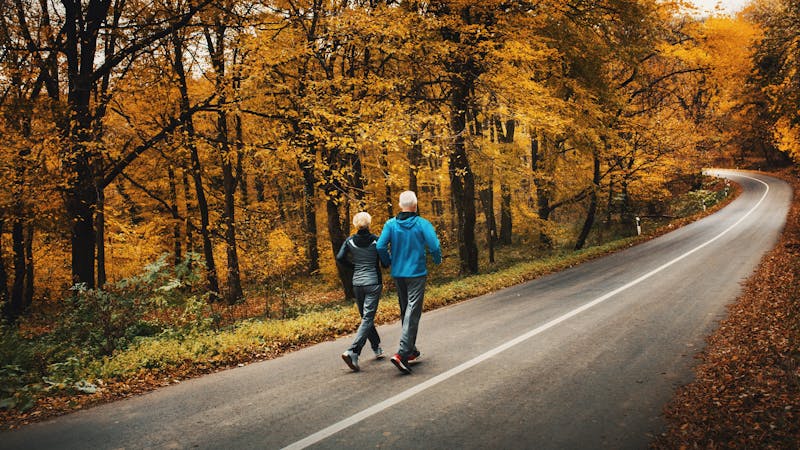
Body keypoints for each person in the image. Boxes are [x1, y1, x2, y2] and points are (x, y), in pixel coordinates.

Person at [377, 190, 441, 374]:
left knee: (406, 311)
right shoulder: (422, 224)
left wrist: (388, 261)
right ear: (415, 205)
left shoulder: (390, 224)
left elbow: (380, 246)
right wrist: (437, 259)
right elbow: (435, 246)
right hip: (416, 273)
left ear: (400, 205)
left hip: (398, 274)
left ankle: (411, 350)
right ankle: (402, 354)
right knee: (413, 312)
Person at [337, 211, 386, 372]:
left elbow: (340, 257)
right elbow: (385, 262)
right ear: (369, 223)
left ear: (355, 224)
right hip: (373, 282)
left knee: (366, 317)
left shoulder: (350, 241)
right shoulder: (377, 241)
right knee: (368, 318)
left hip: (357, 284)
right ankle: (353, 351)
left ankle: (376, 346)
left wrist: (354, 267)